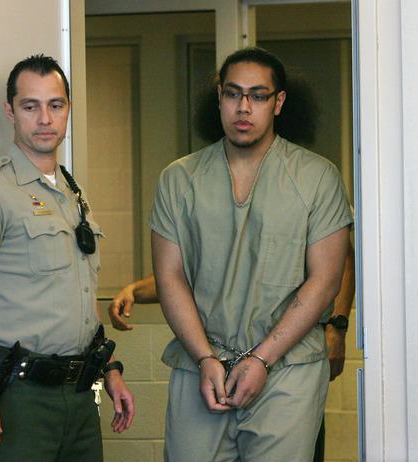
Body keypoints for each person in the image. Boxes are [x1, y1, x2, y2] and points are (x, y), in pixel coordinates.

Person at [114, 46, 353, 461]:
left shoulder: (317, 177)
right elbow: (171, 277)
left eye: (258, 96)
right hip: (202, 366)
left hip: (287, 369)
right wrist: (204, 356)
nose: (244, 107)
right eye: (233, 93)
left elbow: (326, 279)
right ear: (219, 96)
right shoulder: (179, 179)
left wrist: (263, 358)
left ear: (278, 102)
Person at [0, 54, 134, 462]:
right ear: (11, 111)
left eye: (55, 105)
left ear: (67, 110)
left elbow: (77, 294)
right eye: (31, 106)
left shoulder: (72, 194)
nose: (45, 118)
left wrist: (109, 369)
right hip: (18, 400)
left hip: (80, 396)